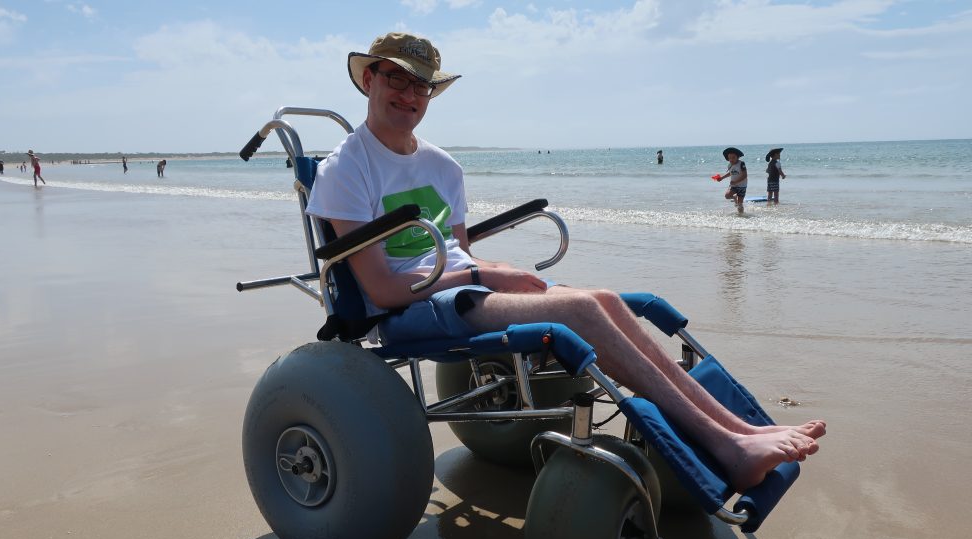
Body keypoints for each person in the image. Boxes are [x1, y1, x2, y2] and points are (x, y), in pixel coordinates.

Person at [304, 32, 824, 492]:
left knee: (602, 301)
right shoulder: (345, 170)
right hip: (410, 308)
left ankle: (743, 430)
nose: (410, 95)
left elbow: (458, 247)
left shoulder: (443, 166)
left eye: (422, 86)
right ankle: (727, 445)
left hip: (462, 288)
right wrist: (486, 274)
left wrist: (486, 269)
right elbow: (383, 290)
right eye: (397, 79)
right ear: (369, 78)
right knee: (579, 312)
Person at [715, 147, 747, 214]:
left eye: (733, 157)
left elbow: (745, 175)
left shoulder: (741, 164)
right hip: (733, 185)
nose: (731, 159)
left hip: (742, 186)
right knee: (727, 196)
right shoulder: (730, 165)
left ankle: (741, 215)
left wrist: (736, 181)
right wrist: (722, 178)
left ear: (737, 157)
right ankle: (734, 197)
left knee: (740, 204)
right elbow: (730, 173)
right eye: (729, 158)